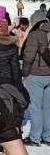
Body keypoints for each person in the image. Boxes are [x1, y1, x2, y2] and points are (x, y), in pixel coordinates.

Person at [20, 8, 50, 146]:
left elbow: (28, 56)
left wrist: (25, 73)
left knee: (36, 107)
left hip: (36, 74)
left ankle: (35, 137)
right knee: (47, 107)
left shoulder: (35, 35)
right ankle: (48, 136)